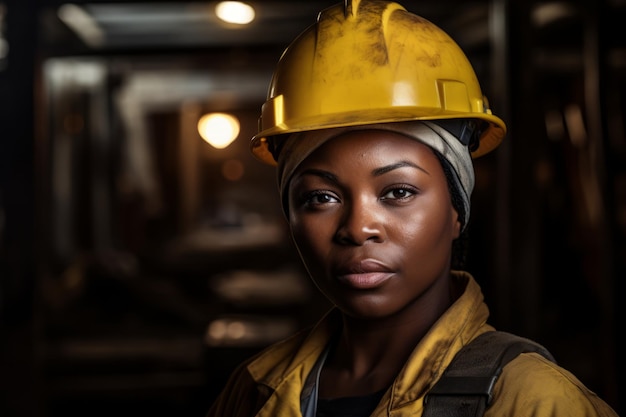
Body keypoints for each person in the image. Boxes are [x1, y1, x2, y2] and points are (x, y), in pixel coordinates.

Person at [206, 0, 619, 416]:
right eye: (321, 198)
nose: (359, 227)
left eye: (398, 192)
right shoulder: (255, 391)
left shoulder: (535, 402)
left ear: (456, 210)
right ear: (289, 217)